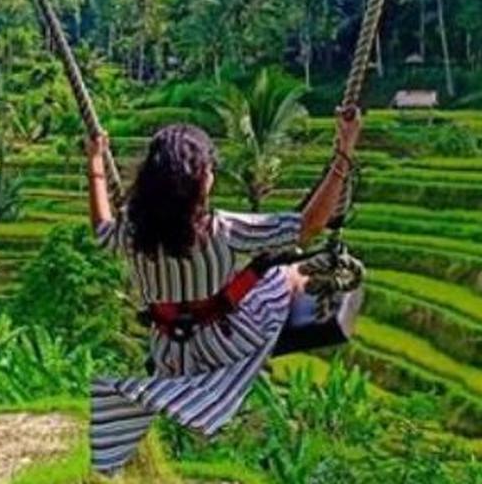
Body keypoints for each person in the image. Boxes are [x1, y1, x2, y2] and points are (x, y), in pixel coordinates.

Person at [84, 107, 363, 474]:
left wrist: (95, 163)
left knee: (260, 271)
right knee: (284, 271)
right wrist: (344, 152)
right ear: (199, 181)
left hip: (170, 352)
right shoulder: (223, 229)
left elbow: (102, 228)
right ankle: (303, 275)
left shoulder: (133, 233)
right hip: (228, 341)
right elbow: (307, 226)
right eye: (209, 170)